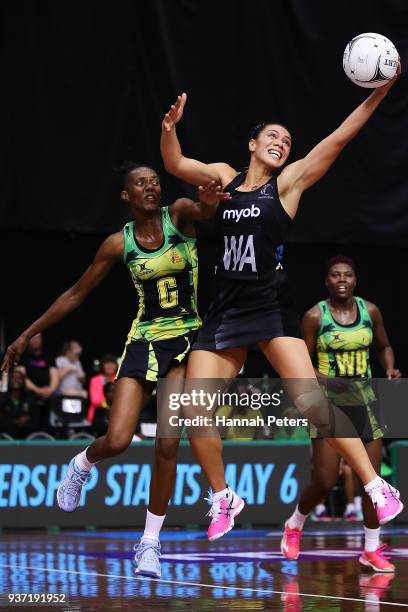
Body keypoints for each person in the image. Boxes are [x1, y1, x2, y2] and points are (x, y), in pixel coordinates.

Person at [160, 64, 403, 541]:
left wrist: (380, 94)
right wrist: (168, 130)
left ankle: (378, 488)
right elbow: (175, 164)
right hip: (225, 309)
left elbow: (339, 138)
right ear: (253, 144)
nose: (282, 143)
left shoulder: (287, 184)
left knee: (313, 403)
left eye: (287, 141)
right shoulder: (225, 178)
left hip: (269, 307)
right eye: (274, 136)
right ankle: (224, 497)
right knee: (194, 409)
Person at [1, 162, 241, 579]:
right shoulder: (119, 243)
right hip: (144, 340)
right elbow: (75, 295)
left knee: (168, 443)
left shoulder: (180, 214)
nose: (150, 186)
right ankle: (81, 464)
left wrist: (209, 199)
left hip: (186, 340)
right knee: (118, 438)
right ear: (126, 197)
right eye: (140, 183)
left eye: (154, 181)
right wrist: (26, 334)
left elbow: (206, 211)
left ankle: (149, 543)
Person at [282, 255, 401, 571]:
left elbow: (384, 346)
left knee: (370, 481)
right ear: (327, 281)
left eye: (348, 274)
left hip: (365, 404)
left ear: (355, 280)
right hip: (329, 407)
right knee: (323, 480)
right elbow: (301, 368)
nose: (342, 279)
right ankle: (294, 525)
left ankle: (371, 549)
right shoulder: (313, 317)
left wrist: (389, 368)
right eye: (335, 275)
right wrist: (333, 383)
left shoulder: (369, 311)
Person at [17, 332, 59, 431]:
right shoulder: (23, 356)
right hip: (29, 394)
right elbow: (21, 376)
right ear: (28, 341)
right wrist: (37, 390)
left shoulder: (48, 356)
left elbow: (55, 374)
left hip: (48, 394)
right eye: (33, 338)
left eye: (38, 338)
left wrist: (50, 390)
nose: (36, 340)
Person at [0, 369, 35, 439]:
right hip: (6, 438)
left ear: (23, 381)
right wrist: (15, 422)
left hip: (26, 437)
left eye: (19, 378)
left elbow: (35, 421)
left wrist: (25, 423)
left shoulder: (30, 398)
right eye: (13, 378)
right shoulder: (2, 399)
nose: (16, 380)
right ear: (9, 380)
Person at [87, 353, 118, 423]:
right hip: (99, 414)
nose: (110, 365)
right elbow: (95, 401)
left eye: (113, 363)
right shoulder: (95, 380)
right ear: (102, 366)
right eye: (107, 363)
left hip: (118, 413)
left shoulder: (120, 380)